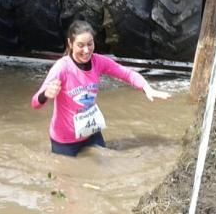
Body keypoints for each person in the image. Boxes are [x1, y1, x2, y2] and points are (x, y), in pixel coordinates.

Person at [31, 20, 170, 156]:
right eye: (80, 45)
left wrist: (147, 88)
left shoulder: (98, 61)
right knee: (67, 176)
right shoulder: (62, 68)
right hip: (65, 140)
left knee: (104, 168)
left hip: (91, 132)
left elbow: (127, 74)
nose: (86, 51)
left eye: (90, 44)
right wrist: (45, 94)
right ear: (70, 44)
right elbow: (35, 103)